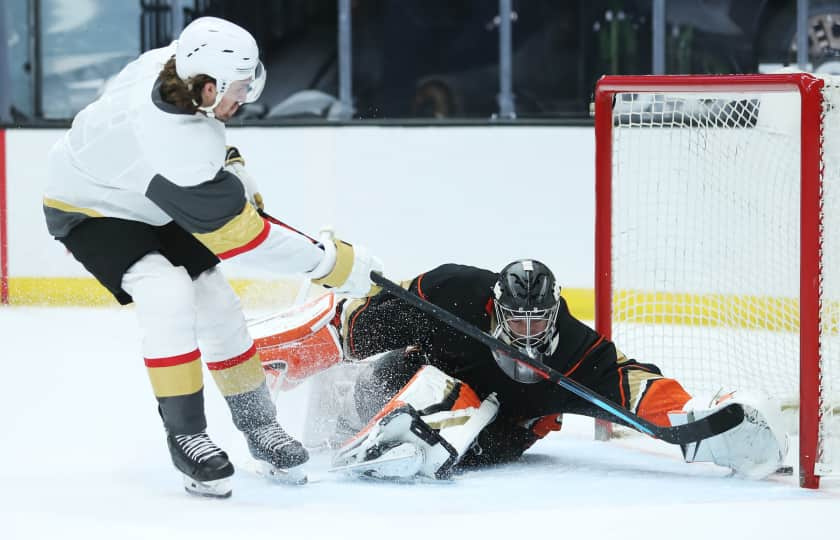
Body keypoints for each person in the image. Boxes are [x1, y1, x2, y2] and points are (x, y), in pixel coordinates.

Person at [42, 16, 380, 498]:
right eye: (239, 89)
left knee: (218, 304)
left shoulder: (170, 64)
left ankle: (260, 425)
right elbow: (247, 240)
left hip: (145, 194)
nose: (247, 97)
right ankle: (187, 437)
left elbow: (200, 140)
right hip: (88, 207)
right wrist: (332, 264)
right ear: (207, 88)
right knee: (167, 294)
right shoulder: (176, 149)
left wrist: (230, 164)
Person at [308, 260, 788, 481]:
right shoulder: (456, 291)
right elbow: (380, 318)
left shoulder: (578, 351)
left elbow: (635, 387)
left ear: (555, 313)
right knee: (421, 381)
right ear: (496, 309)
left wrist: (698, 416)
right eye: (517, 319)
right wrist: (342, 330)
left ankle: (408, 442)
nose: (528, 330)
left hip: (502, 430)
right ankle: (348, 411)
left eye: (538, 320)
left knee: (457, 407)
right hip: (418, 375)